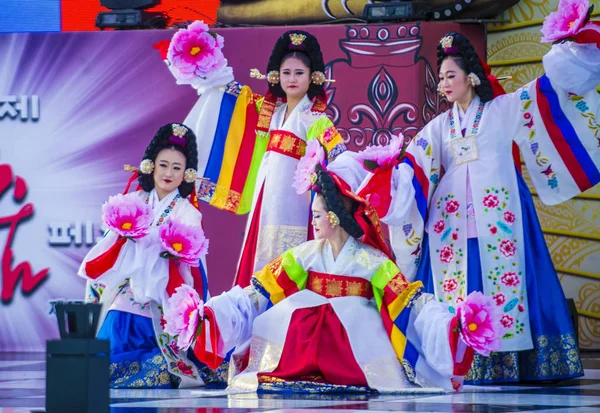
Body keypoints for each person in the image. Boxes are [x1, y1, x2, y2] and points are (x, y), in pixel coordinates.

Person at [333, 16, 600, 383]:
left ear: (470, 77)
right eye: (440, 78)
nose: (443, 84)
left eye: (450, 76)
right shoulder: (440, 127)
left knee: (509, 283)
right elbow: (413, 162)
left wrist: (570, 51)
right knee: (456, 286)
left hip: (500, 216)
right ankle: (457, 359)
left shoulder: (502, 110)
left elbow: (545, 96)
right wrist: (373, 171)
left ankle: (512, 362)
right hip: (452, 226)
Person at [182, 163, 499, 394]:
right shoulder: (304, 255)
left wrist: (449, 327)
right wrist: (214, 313)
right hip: (300, 349)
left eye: (317, 215)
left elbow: (410, 304)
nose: (313, 221)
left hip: (356, 351)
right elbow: (259, 293)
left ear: (334, 216)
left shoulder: (373, 262)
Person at [167, 29, 347, 287]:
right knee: (260, 263)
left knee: (291, 263)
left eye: (299, 73)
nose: (292, 79)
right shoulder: (270, 113)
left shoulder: (316, 120)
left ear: (313, 77)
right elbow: (233, 99)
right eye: (286, 73)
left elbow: (340, 158)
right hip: (265, 200)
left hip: (295, 205)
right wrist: (209, 69)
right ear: (276, 76)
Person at [78, 123, 212, 388]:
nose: (169, 173)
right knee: (105, 357)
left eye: (177, 167)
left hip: (163, 294)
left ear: (186, 174)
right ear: (151, 165)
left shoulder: (189, 213)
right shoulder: (134, 201)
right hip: (127, 290)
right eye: (163, 165)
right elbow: (108, 247)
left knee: (165, 361)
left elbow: (194, 266)